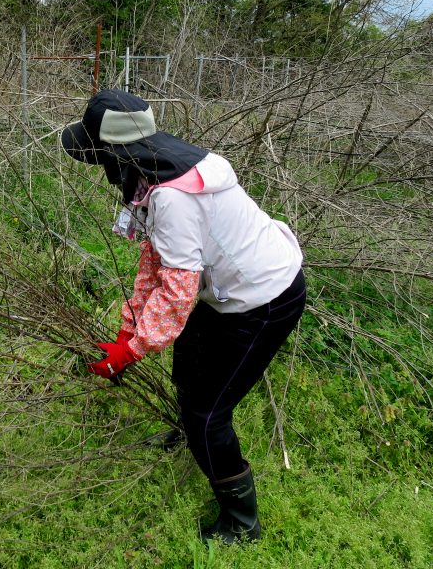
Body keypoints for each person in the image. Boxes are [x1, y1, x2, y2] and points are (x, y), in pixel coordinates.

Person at [61, 89, 306, 545]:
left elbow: (176, 295)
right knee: (190, 357)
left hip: (265, 299)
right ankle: (188, 436)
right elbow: (154, 260)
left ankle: (241, 522)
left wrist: (128, 352)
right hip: (232, 292)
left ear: (116, 155)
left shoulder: (172, 196)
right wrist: (128, 326)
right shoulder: (156, 171)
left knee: (208, 413)